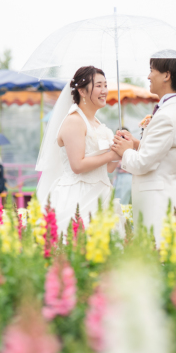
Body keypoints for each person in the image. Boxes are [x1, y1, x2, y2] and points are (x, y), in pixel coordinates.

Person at [111, 49, 176, 243]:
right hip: (164, 202)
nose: (148, 76)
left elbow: (142, 164)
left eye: (151, 70)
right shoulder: (175, 109)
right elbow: (164, 151)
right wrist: (136, 143)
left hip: (158, 207)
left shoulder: (166, 115)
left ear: (166, 75)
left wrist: (126, 151)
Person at [36, 66, 121, 233]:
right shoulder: (74, 121)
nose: (104, 90)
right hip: (78, 195)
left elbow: (109, 168)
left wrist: (120, 151)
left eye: (105, 85)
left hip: (101, 193)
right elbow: (77, 165)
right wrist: (111, 154)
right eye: (98, 86)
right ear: (82, 91)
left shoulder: (98, 123)